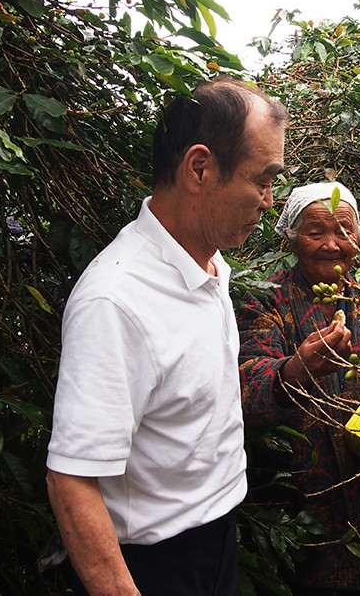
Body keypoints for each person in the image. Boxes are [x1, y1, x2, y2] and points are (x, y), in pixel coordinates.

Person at [46, 76, 288, 596]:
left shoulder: (208, 261)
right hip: (156, 566)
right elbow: (71, 479)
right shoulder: (116, 301)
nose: (269, 201)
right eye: (263, 179)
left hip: (217, 536)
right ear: (199, 168)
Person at [236, 182, 360, 596]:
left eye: (343, 231)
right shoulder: (265, 303)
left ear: (359, 237)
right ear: (292, 237)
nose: (332, 244)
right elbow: (241, 387)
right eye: (315, 231)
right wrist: (294, 370)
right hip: (292, 538)